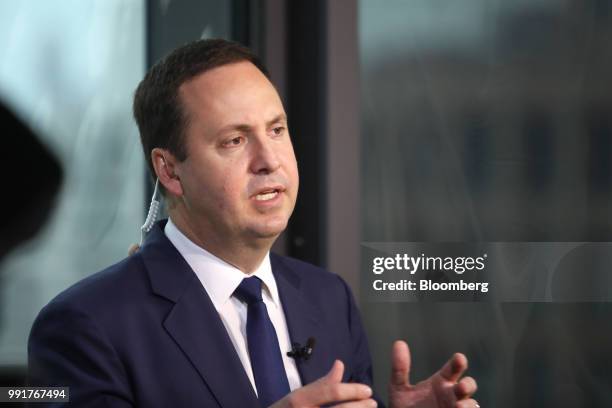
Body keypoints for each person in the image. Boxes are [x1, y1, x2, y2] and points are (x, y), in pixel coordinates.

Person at [28, 39, 478, 407]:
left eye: (277, 130)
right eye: (235, 140)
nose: (269, 160)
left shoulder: (329, 298)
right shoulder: (82, 325)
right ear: (170, 171)